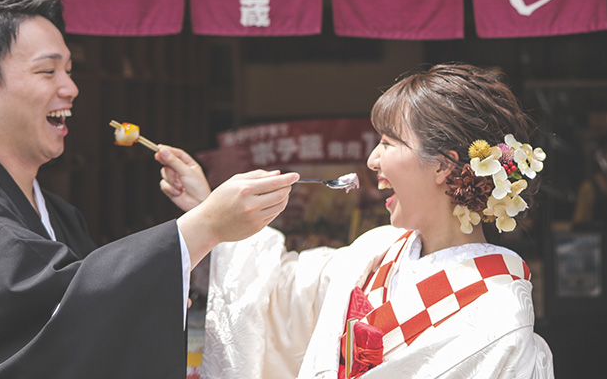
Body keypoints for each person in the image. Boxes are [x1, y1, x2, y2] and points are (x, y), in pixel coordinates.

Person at [0, 0, 298, 379]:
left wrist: (151, 294)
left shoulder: (57, 213)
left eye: (69, 70)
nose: (70, 88)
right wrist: (203, 227)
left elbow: (90, 323)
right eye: (47, 71)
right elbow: (44, 324)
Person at [159, 63, 555, 378]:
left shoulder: (502, 317)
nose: (372, 162)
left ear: (443, 166)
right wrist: (208, 210)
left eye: (388, 143)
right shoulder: (377, 249)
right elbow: (278, 290)